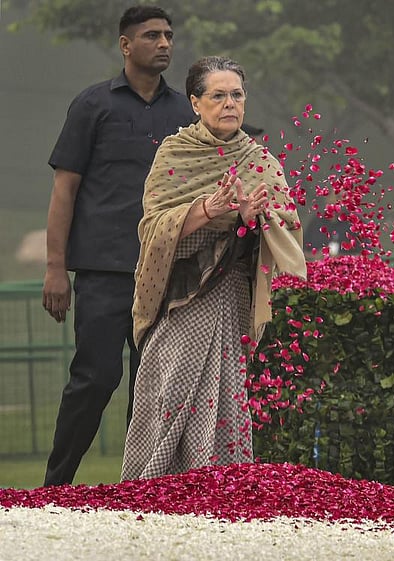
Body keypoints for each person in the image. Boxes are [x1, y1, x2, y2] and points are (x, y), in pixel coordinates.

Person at [121, 56, 307, 480]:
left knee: (223, 397)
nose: (230, 104)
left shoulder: (259, 162)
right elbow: (153, 228)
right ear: (195, 102)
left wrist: (251, 219)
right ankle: (151, 485)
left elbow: (287, 231)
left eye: (237, 95)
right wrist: (207, 209)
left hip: (230, 299)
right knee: (166, 388)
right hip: (179, 297)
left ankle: (221, 486)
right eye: (218, 95)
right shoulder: (175, 153)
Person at [42, 6, 195, 487]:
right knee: (96, 378)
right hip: (104, 271)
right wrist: (55, 269)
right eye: (152, 35)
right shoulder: (93, 105)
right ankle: (55, 486)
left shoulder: (186, 113)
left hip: (167, 269)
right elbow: (64, 190)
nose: (164, 43)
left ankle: (138, 489)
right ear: (126, 46)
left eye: (169, 35)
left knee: (151, 388)